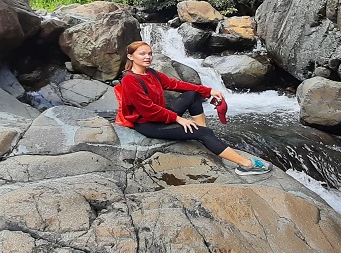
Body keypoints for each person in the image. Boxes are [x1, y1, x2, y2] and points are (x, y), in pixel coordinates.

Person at [117, 40, 272, 175]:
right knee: (205, 133)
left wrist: (208, 91)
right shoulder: (130, 80)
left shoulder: (151, 73)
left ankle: (200, 132)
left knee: (192, 94)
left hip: (161, 115)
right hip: (148, 123)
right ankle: (246, 165)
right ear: (131, 56)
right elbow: (148, 110)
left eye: (150, 53)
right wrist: (179, 119)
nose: (147, 57)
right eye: (142, 54)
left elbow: (176, 84)